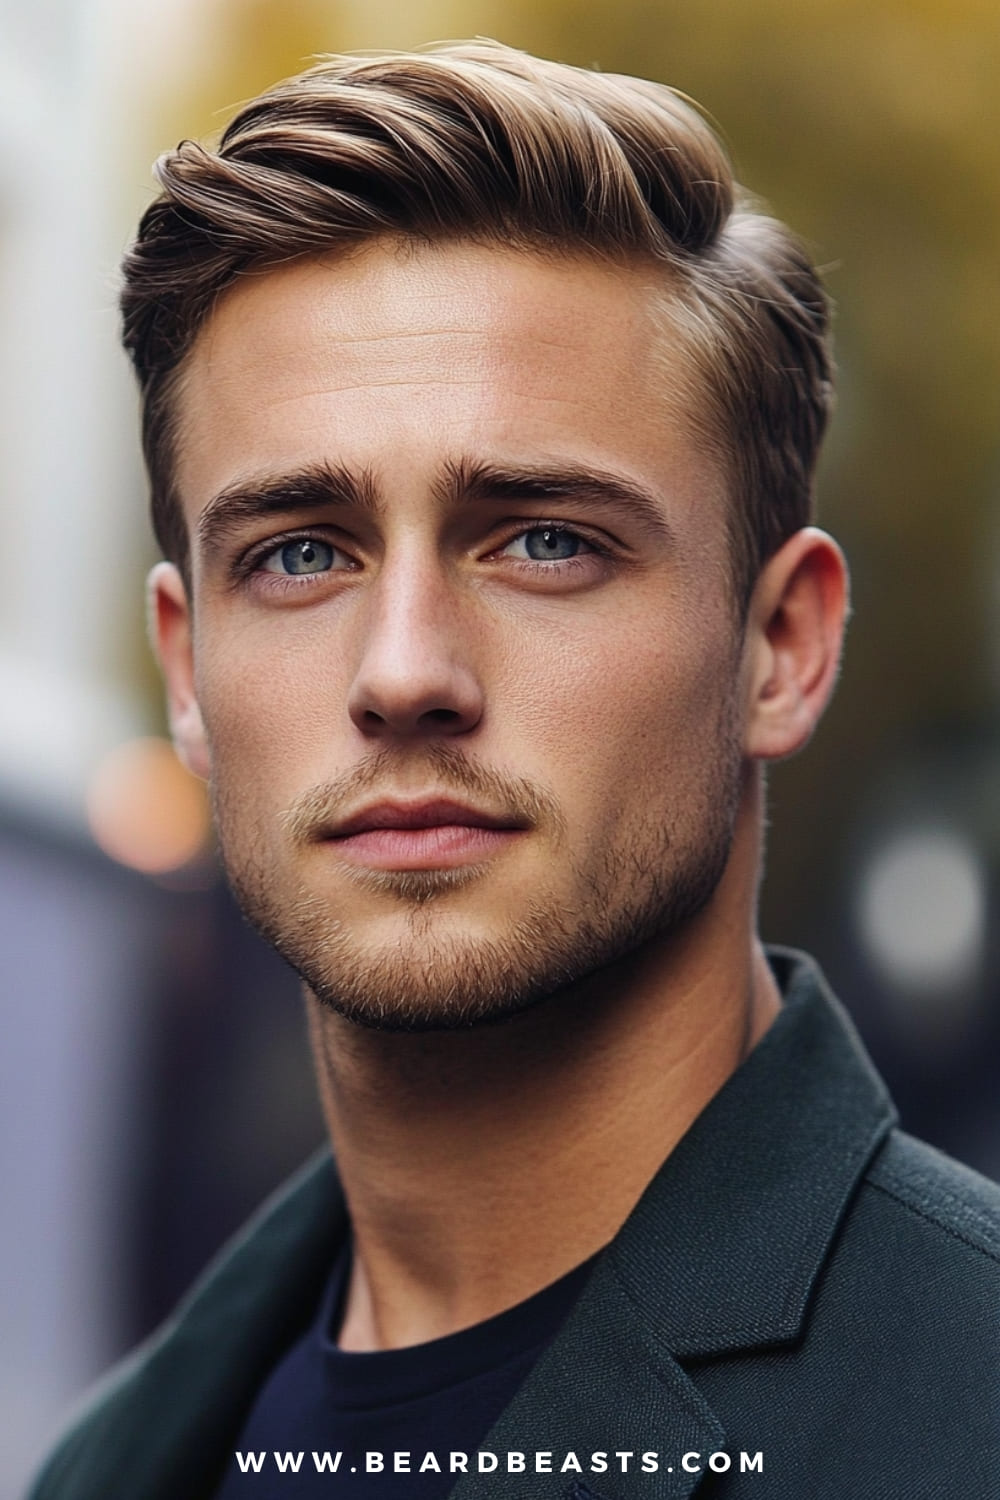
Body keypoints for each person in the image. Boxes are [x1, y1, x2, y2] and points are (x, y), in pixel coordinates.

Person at [28, 40, 998, 1500]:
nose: (404, 670)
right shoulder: (115, 1464)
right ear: (185, 674)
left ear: (782, 645)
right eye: (299, 554)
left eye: (544, 540)